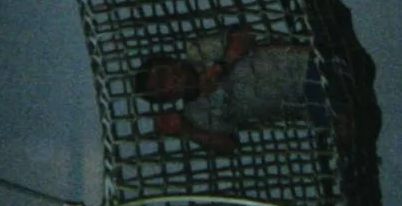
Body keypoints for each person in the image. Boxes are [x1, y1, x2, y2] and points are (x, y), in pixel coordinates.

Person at [135, 28, 346, 155]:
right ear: (167, 99)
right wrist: (187, 132)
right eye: (162, 90)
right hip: (306, 104)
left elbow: (245, 35)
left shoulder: (197, 52)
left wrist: (221, 67)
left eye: (163, 75)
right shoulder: (197, 115)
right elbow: (229, 145)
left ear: (171, 62)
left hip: (304, 65)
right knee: (346, 127)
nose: (170, 83)